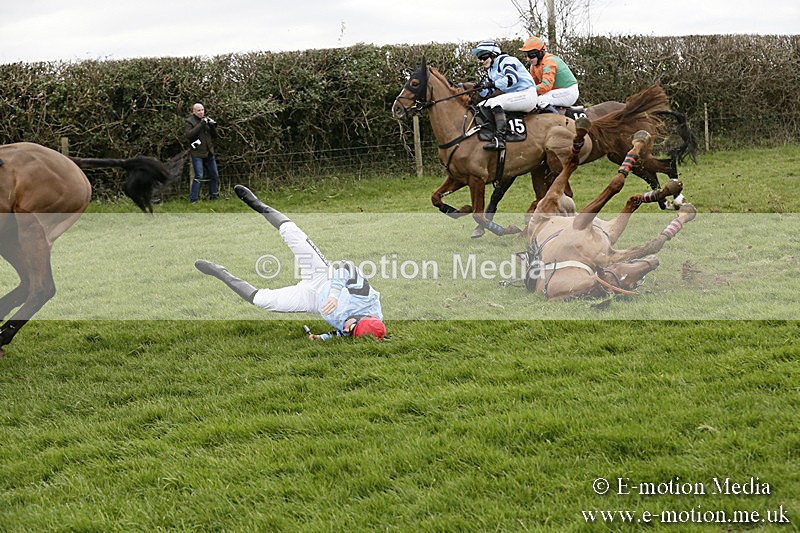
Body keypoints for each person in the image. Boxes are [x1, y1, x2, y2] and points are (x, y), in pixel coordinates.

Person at [194, 185, 386, 341]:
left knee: (262, 301)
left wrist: (323, 337)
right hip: (322, 276)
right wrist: (335, 295)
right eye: (351, 327)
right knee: (293, 234)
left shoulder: (355, 329)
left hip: (311, 301)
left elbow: (343, 333)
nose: (346, 328)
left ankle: (219, 272)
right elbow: (346, 267)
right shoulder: (367, 300)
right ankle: (258, 204)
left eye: (351, 332)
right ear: (365, 316)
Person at [470, 40, 539, 151]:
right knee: (481, 105)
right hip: (515, 96)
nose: (481, 61)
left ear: (493, 54)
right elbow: (490, 92)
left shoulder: (507, 60)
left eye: (483, 56)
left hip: (527, 95)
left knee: (496, 102)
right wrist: (479, 89)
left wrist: (492, 84)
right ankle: (488, 135)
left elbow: (512, 79)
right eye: (479, 58)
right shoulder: (491, 71)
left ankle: (499, 139)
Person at [519, 36, 579, 112]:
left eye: (531, 55)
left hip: (568, 92)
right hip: (556, 92)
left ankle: (557, 121)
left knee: (540, 100)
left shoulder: (549, 62)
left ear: (540, 52)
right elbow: (532, 84)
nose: (528, 59)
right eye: (526, 55)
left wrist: (527, 90)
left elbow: (546, 86)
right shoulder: (533, 66)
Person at [184, 102, 220, 203]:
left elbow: (215, 136)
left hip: (209, 152)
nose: (201, 112)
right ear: (194, 111)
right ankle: (194, 199)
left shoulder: (207, 120)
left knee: (215, 175)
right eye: (199, 110)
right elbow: (189, 135)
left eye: (202, 110)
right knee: (199, 176)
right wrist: (201, 124)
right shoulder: (189, 121)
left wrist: (212, 126)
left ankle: (213, 197)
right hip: (197, 153)